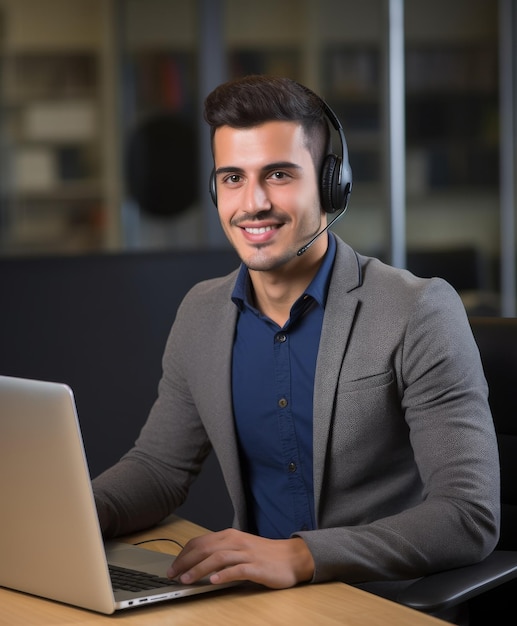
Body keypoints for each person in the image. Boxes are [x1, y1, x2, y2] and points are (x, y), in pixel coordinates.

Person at [93, 75, 499, 621]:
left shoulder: (417, 311)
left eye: (279, 175)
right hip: (254, 604)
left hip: (380, 601)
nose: (253, 203)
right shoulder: (202, 313)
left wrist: (302, 555)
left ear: (331, 187)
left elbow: (467, 515)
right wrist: (69, 515)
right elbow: (158, 469)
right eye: (232, 178)